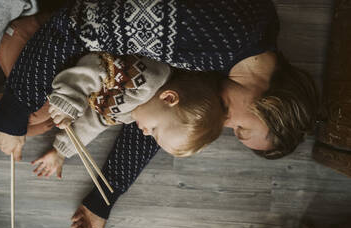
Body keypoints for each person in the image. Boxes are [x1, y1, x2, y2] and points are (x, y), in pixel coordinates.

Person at [0, 0, 318, 228]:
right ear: (270, 105)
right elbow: (74, 25)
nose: (227, 126)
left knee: (51, 122)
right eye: (241, 129)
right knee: (36, 113)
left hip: (84, 62)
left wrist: (103, 199)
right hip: (60, 33)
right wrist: (13, 116)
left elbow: (155, 117)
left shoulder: (231, 73)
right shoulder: (229, 34)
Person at [33, 52, 225, 177]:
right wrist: (68, 102)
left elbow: (95, 121)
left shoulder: (133, 114)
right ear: (168, 98)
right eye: (155, 130)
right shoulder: (147, 79)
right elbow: (97, 65)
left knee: (33, 127)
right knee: (31, 118)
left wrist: (61, 151)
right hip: (66, 70)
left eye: (153, 136)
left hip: (68, 90)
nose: (147, 133)